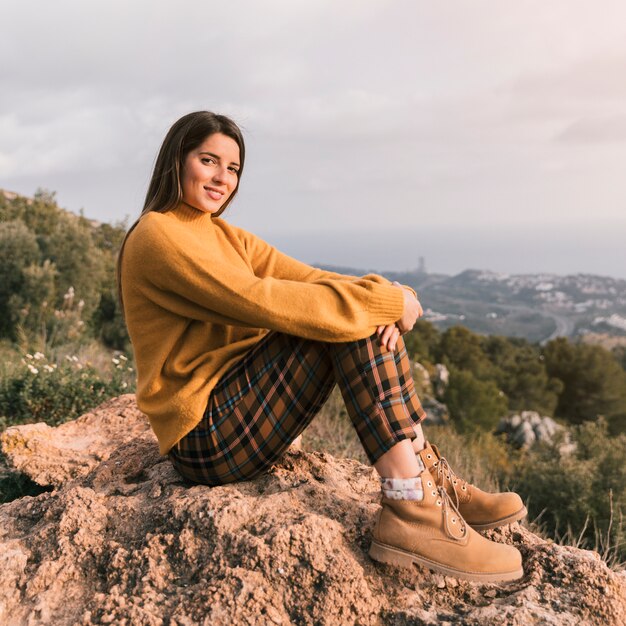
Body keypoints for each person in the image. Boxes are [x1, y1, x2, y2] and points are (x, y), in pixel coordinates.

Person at [116, 111, 526, 582]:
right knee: (343, 321)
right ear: (177, 159)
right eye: (209, 161)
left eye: (233, 169)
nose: (222, 178)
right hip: (204, 434)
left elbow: (311, 279)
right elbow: (263, 300)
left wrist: (394, 296)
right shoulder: (158, 235)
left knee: (352, 312)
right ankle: (412, 510)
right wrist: (379, 305)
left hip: (240, 409)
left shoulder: (221, 233)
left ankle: (425, 480)